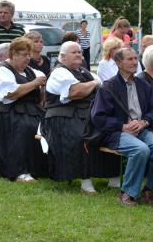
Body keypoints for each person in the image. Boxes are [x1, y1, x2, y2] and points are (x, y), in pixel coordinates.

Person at [91, 47, 153, 206]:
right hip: (116, 132)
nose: (135, 62)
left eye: (136, 58)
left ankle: (148, 190)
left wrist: (144, 122)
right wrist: (123, 126)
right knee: (140, 150)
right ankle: (127, 192)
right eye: (130, 59)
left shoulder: (143, 85)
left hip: (142, 129)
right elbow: (98, 117)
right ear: (118, 63)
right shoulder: (108, 87)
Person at [45, 41, 120, 193]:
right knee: (82, 136)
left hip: (85, 114)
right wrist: (93, 83)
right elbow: (76, 92)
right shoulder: (59, 72)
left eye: (79, 52)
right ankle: (85, 181)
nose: (79, 54)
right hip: (62, 116)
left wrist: (92, 84)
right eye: (74, 52)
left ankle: (113, 177)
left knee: (110, 130)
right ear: (63, 56)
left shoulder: (84, 71)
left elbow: (103, 86)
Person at [0, 38, 47, 182]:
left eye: (29, 55)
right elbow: (11, 94)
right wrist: (35, 83)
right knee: (23, 126)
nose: (28, 58)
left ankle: (40, 168)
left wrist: (41, 87)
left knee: (45, 124)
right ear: (13, 54)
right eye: (24, 55)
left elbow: (38, 97)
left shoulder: (30, 71)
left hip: (25, 108)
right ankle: (19, 171)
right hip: (2, 109)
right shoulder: (1, 71)